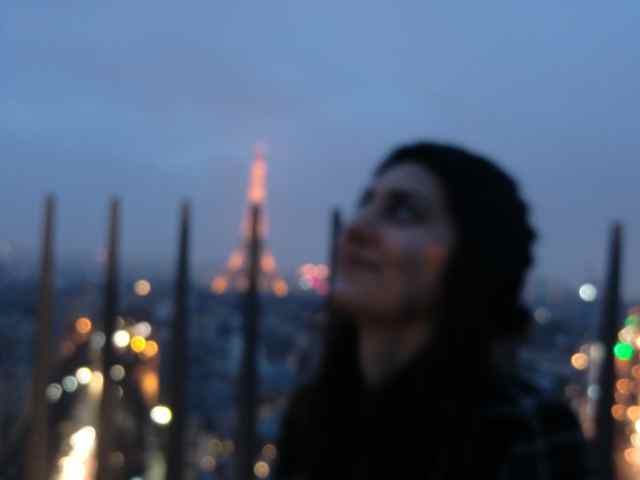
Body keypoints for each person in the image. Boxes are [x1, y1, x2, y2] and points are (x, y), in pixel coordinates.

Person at [275, 142, 587, 479]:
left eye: (403, 212)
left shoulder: (522, 428)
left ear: (470, 261)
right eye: (365, 203)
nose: (356, 229)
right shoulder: (314, 415)